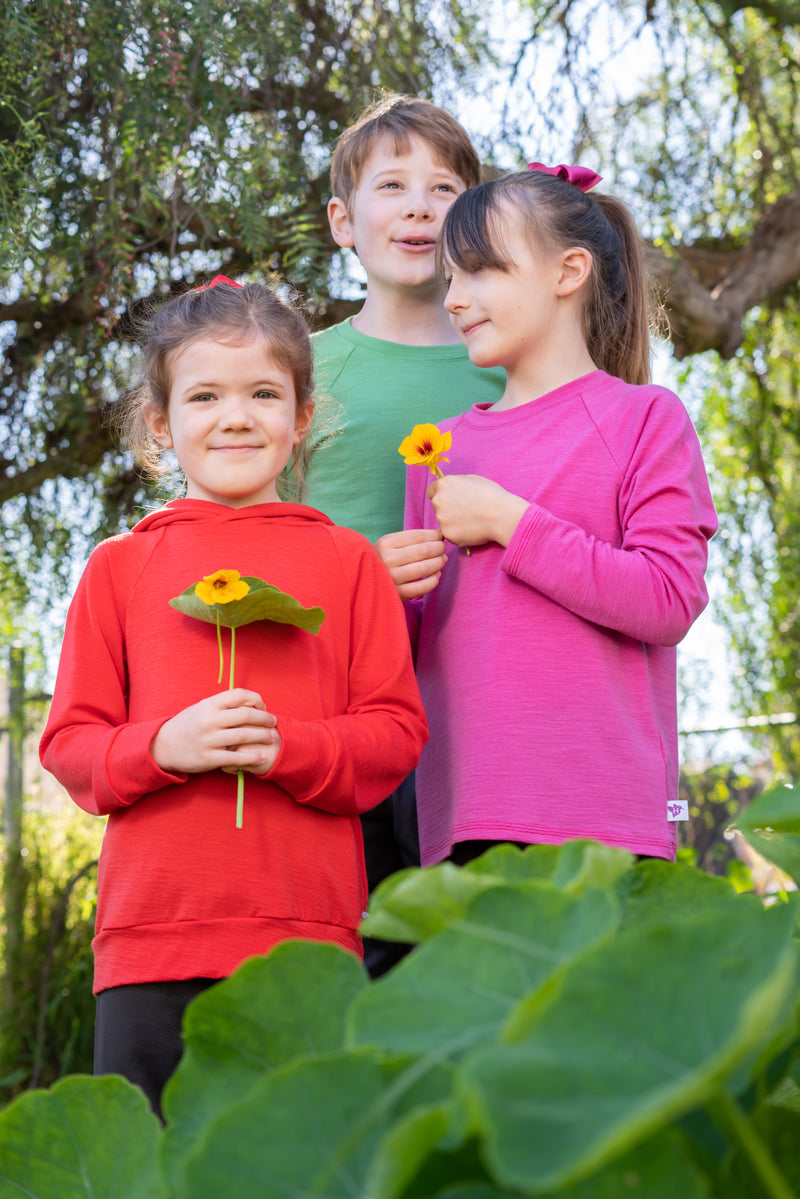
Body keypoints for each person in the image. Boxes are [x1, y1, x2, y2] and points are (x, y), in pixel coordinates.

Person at [39, 276, 428, 1118]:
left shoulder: (350, 563)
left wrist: (290, 748)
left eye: (263, 393)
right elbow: (71, 746)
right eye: (205, 395)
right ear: (160, 422)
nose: (236, 416)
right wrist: (163, 747)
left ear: (302, 416)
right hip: (151, 942)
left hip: (307, 942)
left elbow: (395, 735)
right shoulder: (120, 566)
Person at [378, 163, 718, 868]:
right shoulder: (434, 452)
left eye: (480, 271)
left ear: (569, 272)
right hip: (463, 819)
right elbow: (409, 654)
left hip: (608, 820)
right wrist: (382, 592)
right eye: (449, 278)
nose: (456, 299)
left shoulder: (645, 418)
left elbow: (667, 599)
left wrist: (512, 521)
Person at [303, 95, 505, 973]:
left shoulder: (511, 360)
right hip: (340, 705)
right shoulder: (298, 371)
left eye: (444, 186)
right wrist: (354, 576)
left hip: (488, 705)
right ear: (344, 222)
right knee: (363, 954)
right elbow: (254, 540)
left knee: (477, 950)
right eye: (392, 185)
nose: (420, 206)